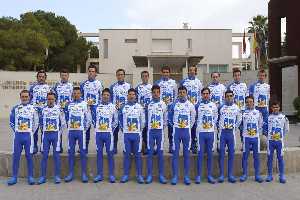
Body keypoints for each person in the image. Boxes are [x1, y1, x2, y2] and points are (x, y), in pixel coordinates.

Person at [7, 90, 39, 185]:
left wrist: (30, 132)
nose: (24, 98)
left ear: (29, 97)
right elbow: (11, 122)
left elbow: (36, 123)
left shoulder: (33, 109)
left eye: (26, 97)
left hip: (28, 136)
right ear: (20, 97)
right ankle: (14, 177)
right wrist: (17, 130)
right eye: (23, 96)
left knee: (29, 157)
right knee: (16, 157)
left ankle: (30, 176)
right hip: (17, 136)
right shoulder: (15, 108)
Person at [169, 86, 196, 185]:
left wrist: (188, 127)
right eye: (180, 92)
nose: (181, 94)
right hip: (176, 132)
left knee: (186, 154)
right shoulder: (174, 105)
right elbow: (169, 117)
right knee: (175, 154)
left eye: (183, 92)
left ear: (186, 93)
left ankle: (186, 176)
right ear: (178, 94)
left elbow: (193, 118)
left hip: (186, 133)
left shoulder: (190, 105)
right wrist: (175, 125)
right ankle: (175, 176)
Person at [91, 88, 117, 183]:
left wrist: (110, 129)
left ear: (110, 97)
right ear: (101, 96)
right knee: (99, 154)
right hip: (98, 134)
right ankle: (99, 175)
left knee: (110, 154)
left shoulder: (113, 107)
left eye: (107, 95)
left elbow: (116, 120)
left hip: (109, 134)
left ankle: (111, 175)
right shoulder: (97, 106)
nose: (105, 96)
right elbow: (93, 119)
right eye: (104, 95)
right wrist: (98, 127)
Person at [119, 88, 145, 184]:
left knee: (138, 155)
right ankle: (125, 175)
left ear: (135, 96)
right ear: (127, 96)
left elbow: (143, 121)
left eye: (133, 94)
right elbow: (120, 119)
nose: (131, 96)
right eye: (129, 94)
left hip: (137, 135)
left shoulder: (140, 107)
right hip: (126, 135)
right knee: (127, 154)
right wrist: (124, 129)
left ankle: (139, 175)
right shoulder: (123, 107)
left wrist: (138, 130)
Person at [64, 87, 90, 183]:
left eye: (78, 93)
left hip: (81, 132)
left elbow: (88, 119)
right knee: (71, 152)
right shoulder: (68, 104)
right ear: (72, 94)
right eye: (74, 93)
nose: (76, 95)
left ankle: (84, 174)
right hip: (71, 132)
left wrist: (83, 129)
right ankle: (70, 173)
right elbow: (66, 118)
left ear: (81, 94)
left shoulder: (84, 104)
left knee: (83, 152)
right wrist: (70, 127)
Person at [37, 92, 63, 184]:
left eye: (52, 99)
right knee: (44, 156)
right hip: (45, 136)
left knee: (56, 156)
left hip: (55, 135)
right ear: (46, 100)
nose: (50, 101)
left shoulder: (59, 109)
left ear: (55, 99)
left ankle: (57, 176)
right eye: (49, 99)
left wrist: (59, 132)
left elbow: (62, 122)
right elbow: (39, 122)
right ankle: (42, 176)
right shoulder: (43, 109)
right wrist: (43, 130)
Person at [217, 90, 242, 183]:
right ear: (224, 97)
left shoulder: (237, 108)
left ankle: (230, 174)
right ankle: (221, 175)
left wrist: (234, 128)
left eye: (231, 96)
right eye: (227, 96)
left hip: (231, 133)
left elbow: (239, 119)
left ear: (233, 97)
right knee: (222, 153)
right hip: (222, 133)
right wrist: (219, 127)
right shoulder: (221, 107)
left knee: (231, 153)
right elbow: (216, 118)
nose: (229, 97)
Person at [195, 87, 218, 184]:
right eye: (204, 93)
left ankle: (209, 175)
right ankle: (199, 175)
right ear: (201, 95)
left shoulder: (213, 105)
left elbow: (216, 117)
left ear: (209, 94)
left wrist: (211, 125)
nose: (205, 95)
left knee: (210, 154)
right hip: (201, 133)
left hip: (210, 132)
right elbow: (193, 117)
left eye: (207, 93)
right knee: (200, 154)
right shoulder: (197, 105)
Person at [145, 85, 168, 184]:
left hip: (159, 132)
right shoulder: (148, 104)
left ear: (160, 93)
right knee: (150, 153)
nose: (155, 94)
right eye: (154, 92)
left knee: (160, 153)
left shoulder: (163, 104)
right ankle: (149, 175)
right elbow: (145, 119)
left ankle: (161, 175)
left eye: (157, 92)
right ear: (152, 93)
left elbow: (165, 119)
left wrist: (162, 128)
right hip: (150, 132)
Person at [239, 96, 264, 183]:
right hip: (246, 138)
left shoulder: (258, 113)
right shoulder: (243, 113)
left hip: (255, 138)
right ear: (246, 103)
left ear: (253, 102)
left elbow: (260, 124)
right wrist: (243, 134)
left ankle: (257, 175)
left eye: (250, 101)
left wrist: (258, 134)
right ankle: (244, 174)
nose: (249, 103)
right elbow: (240, 125)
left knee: (256, 156)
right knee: (245, 156)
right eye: (247, 102)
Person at [80, 65, 103, 153]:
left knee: (98, 128)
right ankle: (84, 148)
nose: (91, 73)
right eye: (89, 71)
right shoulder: (83, 84)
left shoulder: (99, 84)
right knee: (85, 128)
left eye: (93, 71)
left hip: (96, 110)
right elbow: (80, 97)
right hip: (86, 110)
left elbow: (102, 97)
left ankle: (99, 148)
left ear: (96, 73)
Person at [180, 65, 203, 154]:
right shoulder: (183, 82)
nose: (192, 72)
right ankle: (186, 145)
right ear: (188, 72)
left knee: (194, 126)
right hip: (186, 107)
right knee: (185, 125)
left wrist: (198, 105)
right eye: (190, 70)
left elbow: (200, 95)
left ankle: (194, 144)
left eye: (193, 70)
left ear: (196, 72)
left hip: (195, 107)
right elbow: (180, 93)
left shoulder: (199, 82)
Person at [154, 66, 177, 153]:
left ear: (169, 73)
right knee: (158, 127)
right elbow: (155, 95)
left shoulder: (173, 83)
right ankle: (157, 147)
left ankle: (171, 145)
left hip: (170, 109)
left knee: (171, 128)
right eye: (164, 72)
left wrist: (173, 106)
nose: (165, 74)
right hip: (160, 109)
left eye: (167, 72)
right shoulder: (157, 83)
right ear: (161, 73)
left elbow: (175, 95)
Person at [265, 101, 289, 184]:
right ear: (271, 108)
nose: (275, 109)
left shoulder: (284, 117)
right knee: (269, 158)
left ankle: (282, 175)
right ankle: (269, 175)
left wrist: (281, 136)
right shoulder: (268, 117)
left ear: (279, 108)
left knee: (280, 158)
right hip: (270, 142)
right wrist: (269, 136)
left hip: (279, 142)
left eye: (277, 107)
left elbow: (286, 129)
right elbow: (265, 129)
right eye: (274, 107)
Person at [29, 70, 51, 154]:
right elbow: (29, 99)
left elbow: (53, 99)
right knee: (34, 130)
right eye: (39, 76)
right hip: (35, 113)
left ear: (45, 78)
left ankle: (43, 147)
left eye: (43, 77)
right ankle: (34, 146)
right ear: (37, 78)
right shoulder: (32, 88)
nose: (41, 78)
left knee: (44, 131)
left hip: (45, 113)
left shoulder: (49, 88)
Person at [110, 69, 131, 154]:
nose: (120, 76)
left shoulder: (129, 86)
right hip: (115, 111)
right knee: (115, 130)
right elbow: (110, 99)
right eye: (118, 74)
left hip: (125, 112)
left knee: (126, 130)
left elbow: (131, 97)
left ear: (124, 76)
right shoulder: (113, 86)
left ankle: (127, 148)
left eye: (122, 74)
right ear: (116, 76)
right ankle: (114, 147)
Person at [53, 68, 73, 153]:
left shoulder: (71, 86)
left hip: (69, 111)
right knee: (59, 129)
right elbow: (53, 98)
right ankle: (59, 146)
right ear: (60, 76)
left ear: (68, 76)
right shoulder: (56, 86)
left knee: (70, 129)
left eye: (65, 75)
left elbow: (74, 97)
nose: (64, 77)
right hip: (59, 111)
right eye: (62, 75)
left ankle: (70, 147)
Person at [227, 69, 248, 144]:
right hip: (233, 111)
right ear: (233, 76)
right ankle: (230, 145)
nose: (237, 77)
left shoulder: (244, 85)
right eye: (235, 75)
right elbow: (228, 99)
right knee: (232, 128)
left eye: (238, 75)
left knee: (243, 129)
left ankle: (244, 144)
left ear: (240, 76)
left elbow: (247, 98)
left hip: (243, 110)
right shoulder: (230, 86)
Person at [248, 69, 270, 135]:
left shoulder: (268, 86)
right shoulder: (253, 86)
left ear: (265, 77)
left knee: (265, 125)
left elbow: (269, 98)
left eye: (263, 76)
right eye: (260, 75)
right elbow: (250, 98)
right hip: (256, 108)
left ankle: (265, 142)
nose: (261, 77)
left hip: (265, 109)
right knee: (255, 124)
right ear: (258, 76)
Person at [136, 71, 152, 154]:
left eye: (146, 76)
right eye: (143, 76)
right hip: (141, 112)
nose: (145, 78)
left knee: (148, 130)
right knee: (141, 130)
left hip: (149, 113)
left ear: (148, 77)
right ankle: (141, 147)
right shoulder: (138, 87)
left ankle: (148, 147)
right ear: (141, 77)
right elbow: (135, 99)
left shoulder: (151, 87)